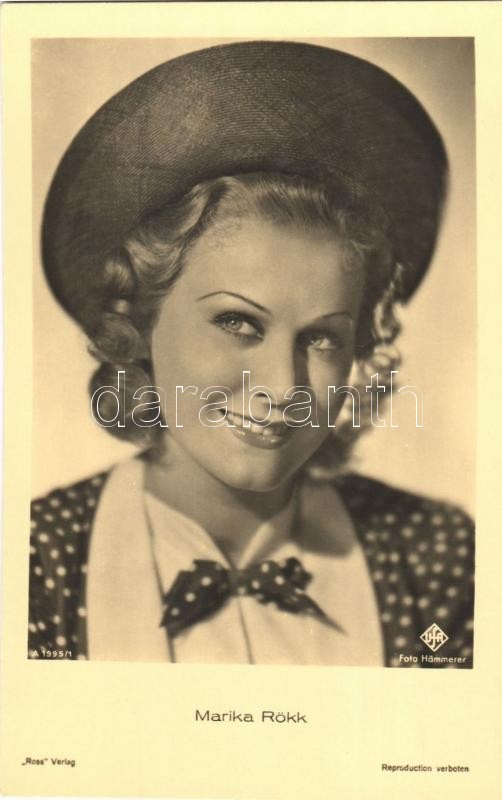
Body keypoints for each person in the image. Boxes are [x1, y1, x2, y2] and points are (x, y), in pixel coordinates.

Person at [28, 40, 474, 667]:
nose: (283, 386)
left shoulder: (438, 560)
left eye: (322, 338)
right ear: (140, 322)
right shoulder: (35, 564)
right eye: (237, 322)